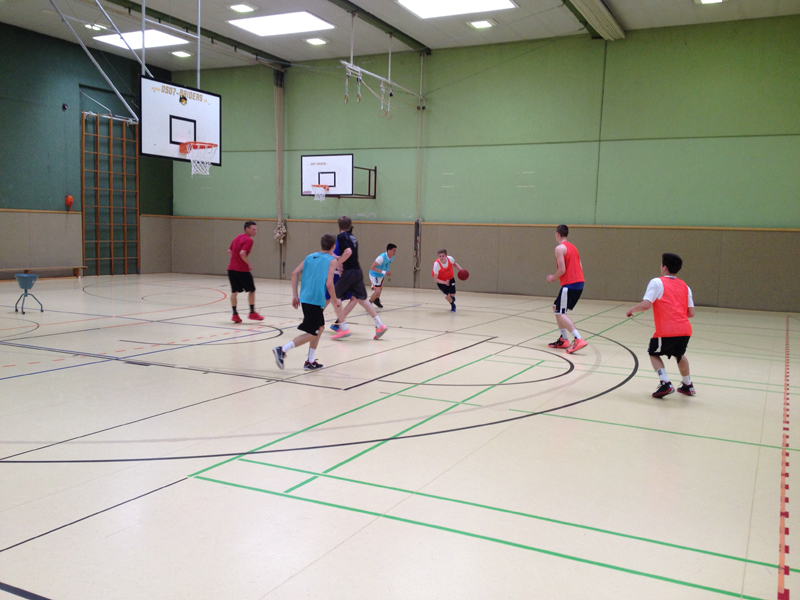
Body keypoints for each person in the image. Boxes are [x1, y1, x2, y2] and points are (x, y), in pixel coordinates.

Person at [626, 253, 696, 398]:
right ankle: (687, 385)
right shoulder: (685, 286)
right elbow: (691, 313)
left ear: (664, 267)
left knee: (653, 353)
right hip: (685, 329)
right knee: (679, 354)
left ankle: (665, 383)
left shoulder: (657, 282)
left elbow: (646, 305)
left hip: (667, 330)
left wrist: (632, 309)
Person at [272, 234, 344, 371]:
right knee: (313, 332)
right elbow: (329, 284)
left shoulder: (310, 257)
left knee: (320, 328)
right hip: (314, 300)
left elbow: (294, 274)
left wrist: (295, 295)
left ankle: (310, 361)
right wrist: (335, 300)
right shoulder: (332, 261)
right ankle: (282, 350)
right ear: (333, 246)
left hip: (305, 298)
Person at [330, 216, 388, 340]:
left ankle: (343, 328)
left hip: (349, 272)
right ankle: (379, 325)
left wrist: (338, 262)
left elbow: (348, 252)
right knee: (361, 299)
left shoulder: (341, 237)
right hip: (357, 271)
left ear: (339, 226)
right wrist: (338, 257)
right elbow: (349, 254)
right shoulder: (353, 237)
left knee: (334, 297)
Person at [546, 224, 586, 354]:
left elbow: (562, 270)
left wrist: (552, 278)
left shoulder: (559, 249)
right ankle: (564, 339)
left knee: (560, 312)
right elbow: (580, 266)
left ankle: (578, 339)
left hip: (570, 284)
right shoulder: (573, 248)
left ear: (557, 234)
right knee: (556, 307)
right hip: (579, 283)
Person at [227, 221, 263, 323]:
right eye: (253, 229)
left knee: (234, 292)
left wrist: (235, 259)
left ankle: (235, 314)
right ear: (247, 229)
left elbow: (229, 251)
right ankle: (252, 312)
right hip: (241, 269)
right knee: (252, 290)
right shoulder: (249, 240)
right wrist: (248, 264)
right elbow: (242, 253)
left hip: (231, 269)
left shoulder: (237, 237)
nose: (255, 231)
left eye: (256, 229)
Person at [368, 243, 397, 308]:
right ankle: (368, 304)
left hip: (381, 275)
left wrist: (387, 271)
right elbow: (372, 267)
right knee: (377, 291)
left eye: (395, 251)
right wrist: (384, 272)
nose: (395, 252)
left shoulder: (392, 256)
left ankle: (376, 300)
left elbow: (387, 264)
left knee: (380, 290)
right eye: (394, 250)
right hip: (374, 275)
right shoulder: (381, 257)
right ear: (389, 250)